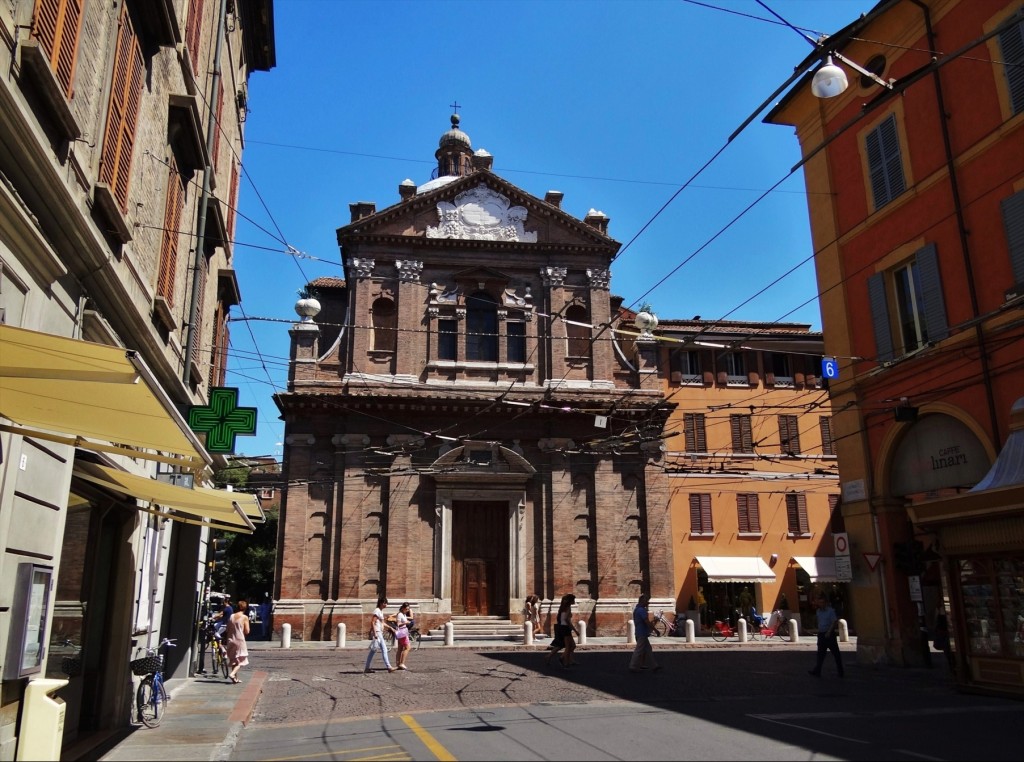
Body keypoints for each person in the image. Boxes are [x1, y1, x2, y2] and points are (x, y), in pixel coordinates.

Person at [808, 593, 844, 678]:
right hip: (821, 634)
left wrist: (829, 632)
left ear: (825, 603)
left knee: (836, 654)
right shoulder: (818, 611)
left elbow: (834, 622)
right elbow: (819, 621)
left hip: (830, 635)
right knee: (820, 654)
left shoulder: (830, 611)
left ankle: (840, 671)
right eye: (820, 603)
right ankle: (817, 670)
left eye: (822, 603)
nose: (821, 604)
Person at [629, 594, 662, 673]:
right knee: (639, 650)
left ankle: (654, 665)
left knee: (648, 649)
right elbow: (646, 621)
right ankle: (632, 665)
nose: (647, 603)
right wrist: (655, 630)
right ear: (642, 601)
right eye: (646, 601)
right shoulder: (641, 610)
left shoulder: (637, 609)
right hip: (642, 633)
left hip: (640, 632)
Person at [364, 596, 396, 673]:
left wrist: (390, 627)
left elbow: (382, 623)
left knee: (373, 651)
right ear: (381, 603)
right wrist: (375, 633)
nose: (386, 605)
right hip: (378, 632)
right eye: (385, 603)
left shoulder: (380, 611)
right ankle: (389, 667)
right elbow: (373, 622)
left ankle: (367, 668)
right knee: (384, 649)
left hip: (379, 632)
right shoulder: (377, 611)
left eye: (386, 603)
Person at [545, 594, 577, 668]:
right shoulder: (568, 608)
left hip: (562, 627)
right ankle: (564, 660)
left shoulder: (562, 608)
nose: (574, 601)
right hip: (565, 628)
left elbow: (561, 619)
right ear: (570, 601)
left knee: (562, 645)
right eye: (573, 600)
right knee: (569, 646)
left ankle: (553, 657)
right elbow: (566, 620)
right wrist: (575, 630)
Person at [225, 599, 250, 684]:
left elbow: (227, 629)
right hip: (239, 639)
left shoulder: (231, 616)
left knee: (234, 659)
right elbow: (247, 631)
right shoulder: (244, 617)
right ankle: (232, 674)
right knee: (241, 660)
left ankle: (235, 679)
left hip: (230, 639)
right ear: (245, 608)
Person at [933, 608, 954, 672]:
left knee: (948, 651)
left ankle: (951, 666)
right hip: (945, 633)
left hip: (945, 633)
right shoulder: (940, 612)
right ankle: (951, 666)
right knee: (948, 651)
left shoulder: (940, 612)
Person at [394, 602, 413, 671]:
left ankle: (398, 664)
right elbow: (398, 624)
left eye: (408, 609)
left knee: (400, 648)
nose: (407, 610)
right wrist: (406, 622)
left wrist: (407, 622)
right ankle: (402, 663)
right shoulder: (400, 614)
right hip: (402, 633)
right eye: (406, 609)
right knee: (408, 647)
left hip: (402, 632)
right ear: (403, 608)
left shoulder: (403, 614)